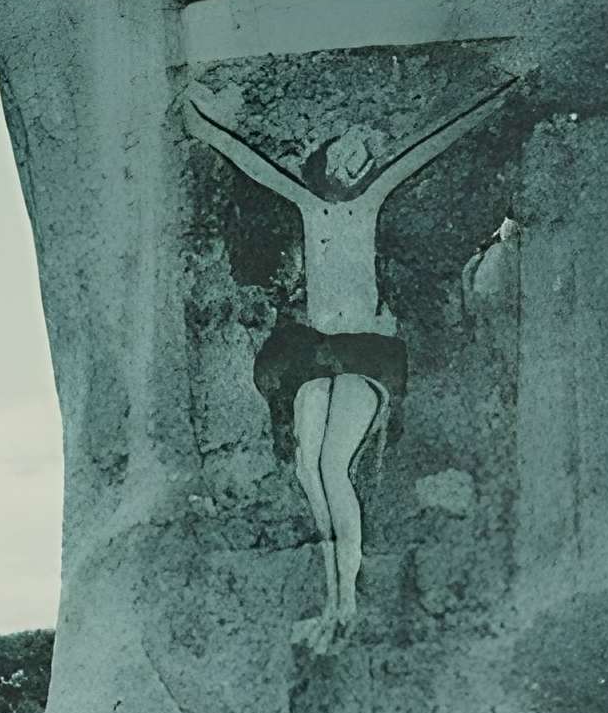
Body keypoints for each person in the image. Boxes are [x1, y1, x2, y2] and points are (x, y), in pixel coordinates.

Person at [184, 78, 516, 650]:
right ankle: (333, 593)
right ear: (327, 161)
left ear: (366, 169)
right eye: (342, 155)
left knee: (333, 468)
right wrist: (204, 128)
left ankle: (347, 601)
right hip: (314, 351)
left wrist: (491, 100)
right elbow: (254, 164)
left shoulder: (370, 201)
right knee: (306, 468)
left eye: (359, 159)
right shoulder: (308, 203)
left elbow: (428, 145)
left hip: (364, 351)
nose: (349, 166)